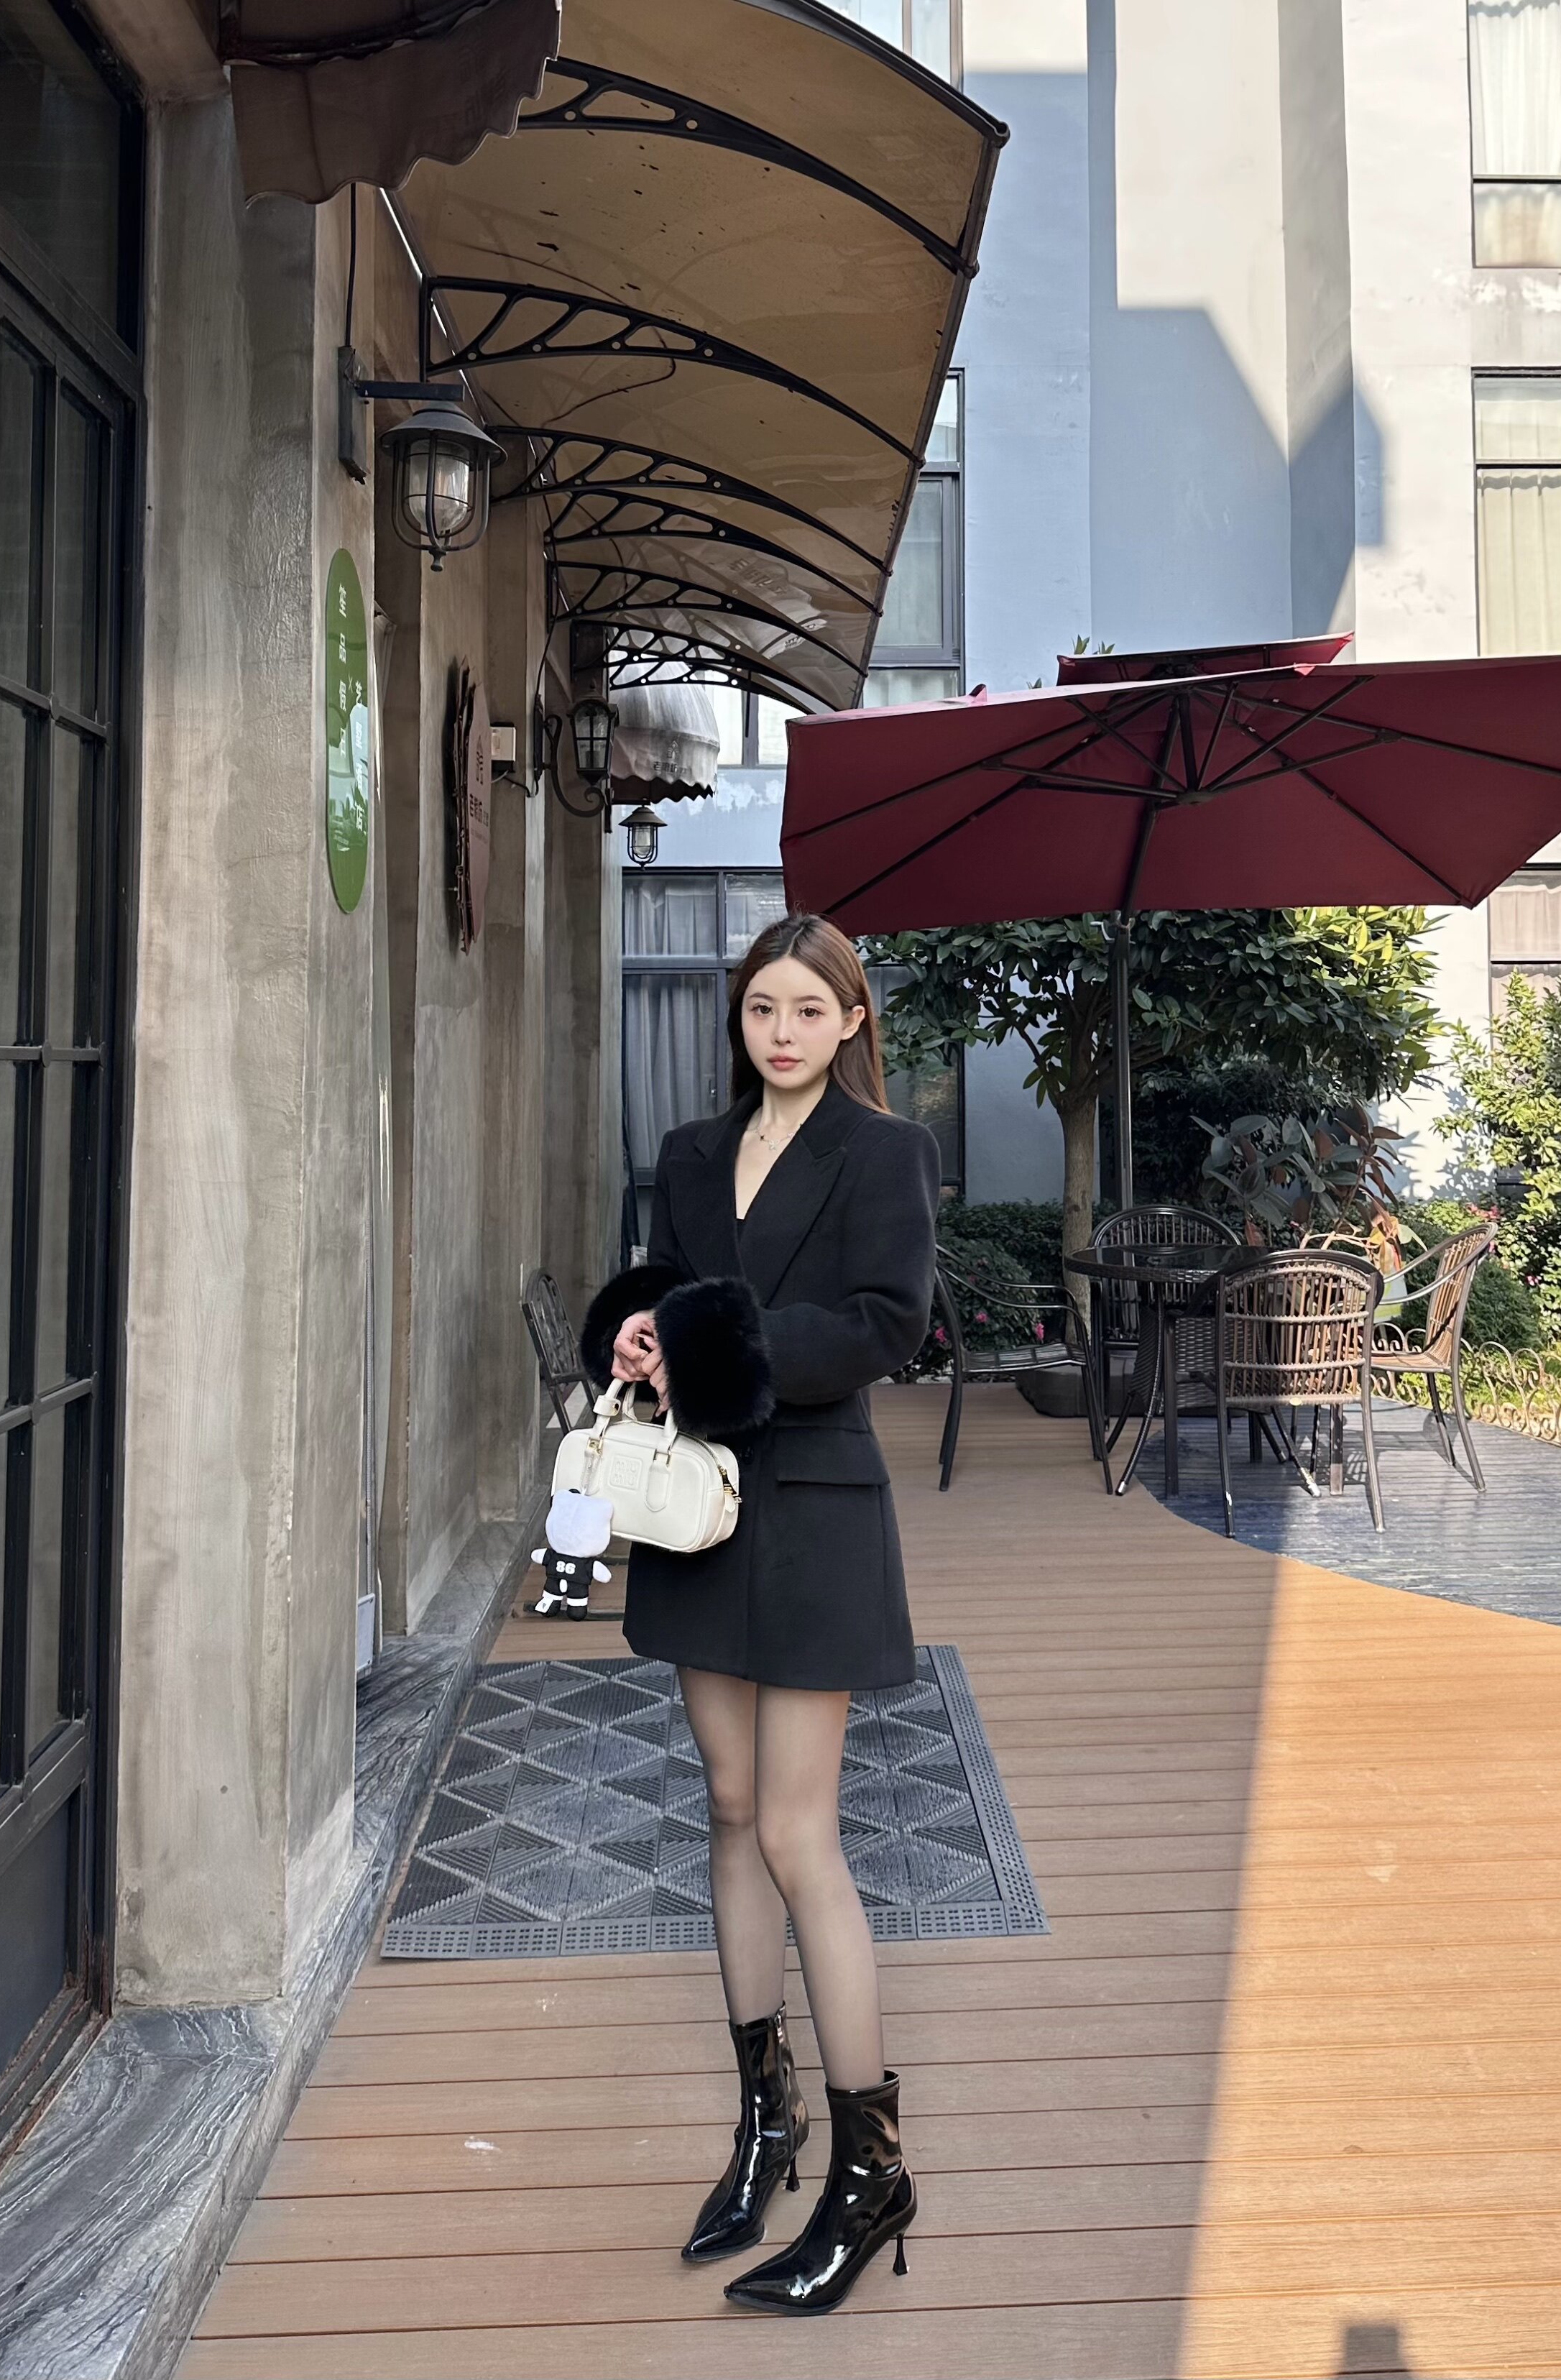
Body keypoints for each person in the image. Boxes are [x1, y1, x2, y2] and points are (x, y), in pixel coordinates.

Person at [581, 912, 939, 2316]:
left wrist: (717, 1346)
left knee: (799, 1833)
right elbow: (670, 1294)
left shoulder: (884, 1153)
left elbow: (885, 1323)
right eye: (761, 1010)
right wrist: (638, 1329)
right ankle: (765, 2125)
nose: (781, 1033)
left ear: (851, 1021)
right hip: (699, 1510)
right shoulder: (689, 1151)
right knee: (729, 1808)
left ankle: (871, 2170)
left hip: (814, 1514)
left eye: (806, 1010)